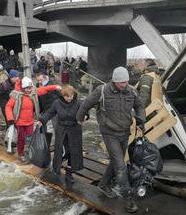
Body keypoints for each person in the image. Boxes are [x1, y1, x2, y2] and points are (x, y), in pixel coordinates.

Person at [76, 66, 145, 213]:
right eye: (121, 83)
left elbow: (139, 106)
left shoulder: (131, 91)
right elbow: (86, 104)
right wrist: (80, 118)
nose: (125, 84)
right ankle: (128, 199)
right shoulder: (102, 91)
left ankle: (103, 184)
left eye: (126, 82)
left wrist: (141, 120)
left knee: (116, 161)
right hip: (109, 133)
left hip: (125, 132)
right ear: (114, 81)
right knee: (121, 166)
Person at [5, 77, 61, 164]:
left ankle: (30, 151)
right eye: (27, 88)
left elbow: (44, 89)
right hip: (19, 122)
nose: (29, 90)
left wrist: (55, 87)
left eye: (30, 88)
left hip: (30, 121)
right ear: (23, 88)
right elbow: (8, 106)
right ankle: (21, 154)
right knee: (21, 139)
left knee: (30, 137)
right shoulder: (16, 95)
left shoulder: (33, 93)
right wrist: (10, 119)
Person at [38, 85, 86, 183]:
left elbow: (84, 112)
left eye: (71, 96)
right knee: (64, 151)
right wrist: (42, 120)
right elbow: (50, 113)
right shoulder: (57, 103)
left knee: (73, 152)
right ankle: (56, 167)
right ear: (63, 96)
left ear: (73, 95)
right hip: (62, 130)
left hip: (74, 130)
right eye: (67, 96)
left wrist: (85, 116)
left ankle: (69, 172)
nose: (69, 98)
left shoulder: (78, 103)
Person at [36, 72, 59, 147]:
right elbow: (38, 98)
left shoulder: (52, 84)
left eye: (40, 80)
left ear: (45, 78)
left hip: (54, 110)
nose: (39, 82)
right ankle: (44, 141)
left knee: (56, 126)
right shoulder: (38, 85)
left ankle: (59, 142)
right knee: (42, 125)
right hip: (44, 109)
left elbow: (60, 96)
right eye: (38, 80)